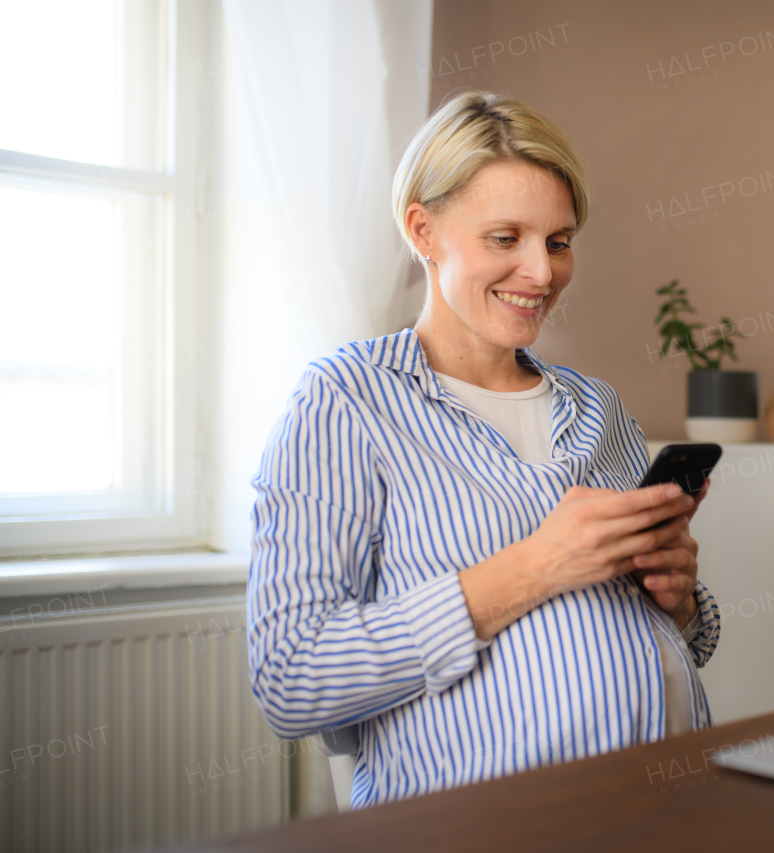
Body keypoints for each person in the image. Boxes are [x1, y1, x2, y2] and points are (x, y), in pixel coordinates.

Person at [246, 91, 721, 807]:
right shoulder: (345, 401)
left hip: (667, 807)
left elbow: (689, 640)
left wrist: (680, 597)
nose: (541, 273)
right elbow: (291, 678)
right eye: (506, 238)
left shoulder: (600, 407)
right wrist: (535, 567)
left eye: (558, 242)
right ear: (423, 230)